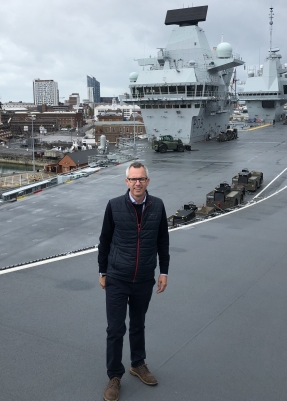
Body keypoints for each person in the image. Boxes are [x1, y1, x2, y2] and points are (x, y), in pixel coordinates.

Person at [98, 161, 170, 401]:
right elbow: (105, 240)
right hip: (117, 276)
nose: (137, 183)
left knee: (138, 324)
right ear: (126, 181)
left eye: (141, 179)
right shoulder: (114, 205)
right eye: (133, 179)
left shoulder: (157, 206)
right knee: (115, 328)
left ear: (147, 181)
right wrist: (102, 271)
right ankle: (114, 376)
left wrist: (163, 272)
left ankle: (138, 364)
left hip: (143, 278)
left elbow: (163, 242)